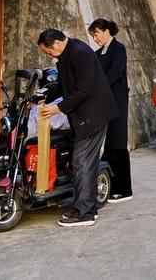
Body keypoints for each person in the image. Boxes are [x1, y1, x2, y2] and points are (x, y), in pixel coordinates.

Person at [37, 28, 119, 227]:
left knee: (81, 162)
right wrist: (43, 97)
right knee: (85, 162)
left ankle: (84, 213)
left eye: (48, 52)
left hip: (94, 115)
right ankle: (89, 208)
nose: (49, 55)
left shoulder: (80, 54)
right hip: (86, 115)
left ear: (57, 43)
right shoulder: (67, 54)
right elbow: (65, 85)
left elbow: (83, 89)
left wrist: (58, 108)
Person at [89, 18, 132, 203]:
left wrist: (97, 88)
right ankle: (110, 186)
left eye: (96, 33)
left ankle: (124, 189)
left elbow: (115, 72)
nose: (95, 38)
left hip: (118, 103)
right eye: (92, 35)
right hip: (103, 104)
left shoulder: (118, 49)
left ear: (106, 31)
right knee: (107, 146)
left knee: (118, 144)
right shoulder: (97, 54)